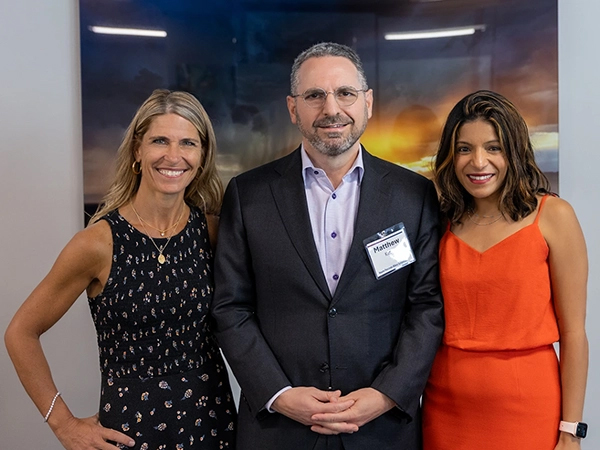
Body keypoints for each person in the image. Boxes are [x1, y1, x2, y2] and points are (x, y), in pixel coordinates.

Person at [210, 42, 444, 450]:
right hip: (279, 430)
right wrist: (279, 395)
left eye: (345, 93)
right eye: (315, 95)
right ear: (292, 108)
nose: (331, 109)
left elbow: (426, 306)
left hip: (382, 429)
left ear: (368, 103)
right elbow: (231, 308)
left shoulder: (415, 195)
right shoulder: (248, 195)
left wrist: (386, 393)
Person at [4, 89, 237, 449]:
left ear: (202, 155)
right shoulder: (98, 243)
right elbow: (20, 333)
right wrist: (63, 424)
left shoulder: (213, 232)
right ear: (137, 151)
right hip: (131, 432)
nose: (174, 156)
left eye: (188, 143)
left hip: (212, 427)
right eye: (160, 140)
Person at [422, 90, 588, 449]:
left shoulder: (554, 217)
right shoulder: (440, 220)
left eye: (493, 148)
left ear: (514, 151)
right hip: (444, 411)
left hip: (530, 411)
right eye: (464, 148)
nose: (478, 162)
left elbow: (574, 334)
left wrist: (570, 430)